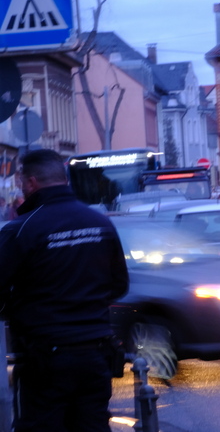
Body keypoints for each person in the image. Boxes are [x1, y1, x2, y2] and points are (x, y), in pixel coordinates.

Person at [0, 149, 129, 432]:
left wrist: (18, 309)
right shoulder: (100, 223)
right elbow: (120, 285)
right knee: (92, 426)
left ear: (31, 182)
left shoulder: (21, 230)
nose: (21, 187)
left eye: (22, 181)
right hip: (96, 353)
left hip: (46, 357)